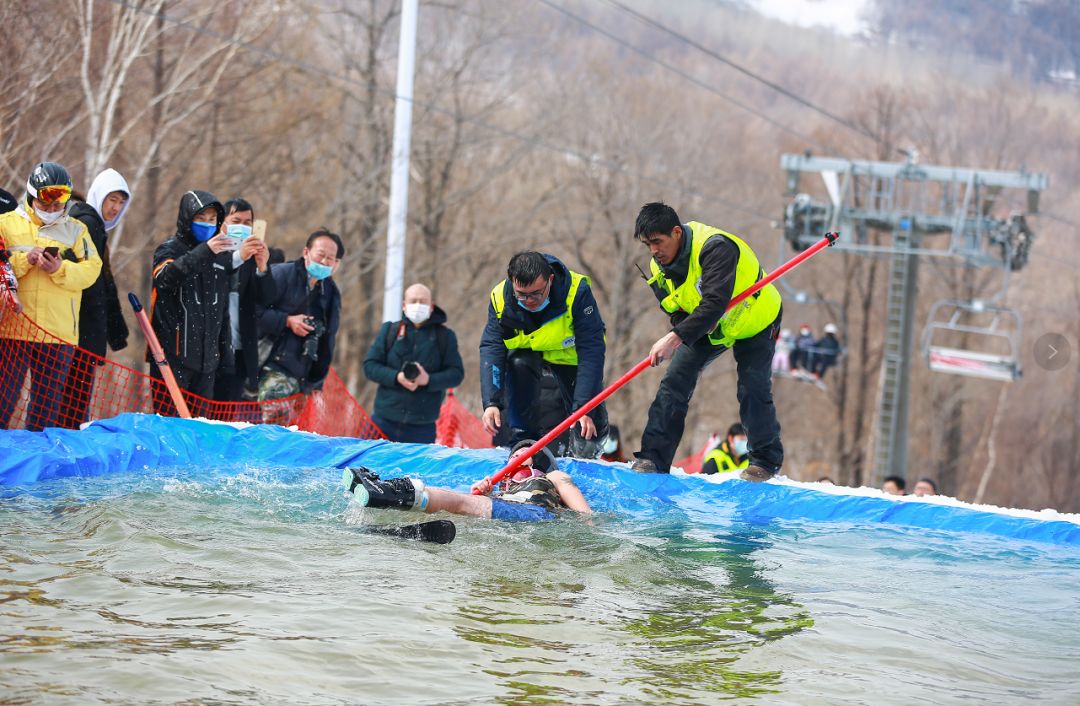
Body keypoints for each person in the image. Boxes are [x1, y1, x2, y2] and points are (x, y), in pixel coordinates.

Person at [629, 202, 783, 482]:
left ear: (676, 232)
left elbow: (715, 301)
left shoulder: (715, 248)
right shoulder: (657, 267)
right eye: (647, 244)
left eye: (657, 242)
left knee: (752, 388)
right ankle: (653, 458)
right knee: (674, 382)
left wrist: (674, 338)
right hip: (707, 327)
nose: (653, 250)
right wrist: (682, 328)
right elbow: (674, 309)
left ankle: (764, 462)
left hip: (756, 320)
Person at [0, 162, 102, 430]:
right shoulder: (6, 224)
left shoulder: (76, 229)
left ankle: (38, 466)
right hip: (14, 330)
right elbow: (2, 266)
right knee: (4, 403)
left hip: (58, 333)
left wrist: (60, 269)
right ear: (33, 194)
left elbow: (93, 270)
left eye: (61, 199)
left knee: (45, 414)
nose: (54, 206)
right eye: (47, 198)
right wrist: (24, 260)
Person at [479, 251, 608, 457]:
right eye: (521, 294)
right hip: (529, 359)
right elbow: (492, 347)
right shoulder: (499, 298)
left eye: (536, 294)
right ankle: (523, 443)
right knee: (518, 362)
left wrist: (583, 407)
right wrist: (491, 402)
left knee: (588, 427)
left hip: (571, 361)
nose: (529, 301)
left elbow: (592, 351)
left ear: (551, 280)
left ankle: (586, 451)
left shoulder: (577, 292)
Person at [344, 439, 592, 522]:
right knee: (462, 507)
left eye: (524, 455)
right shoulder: (503, 487)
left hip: (537, 515)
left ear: (534, 461)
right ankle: (392, 503)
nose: (517, 457)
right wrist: (485, 495)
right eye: (513, 455)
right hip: (512, 518)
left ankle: (391, 492)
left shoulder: (552, 476)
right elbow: (492, 511)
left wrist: (587, 529)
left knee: (463, 503)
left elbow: (583, 513)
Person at [57, 169, 131, 427]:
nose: (116, 208)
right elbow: (91, 286)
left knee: (70, 406)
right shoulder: (87, 223)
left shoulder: (94, 226)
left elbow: (101, 284)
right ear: (99, 195)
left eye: (122, 202)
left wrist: (113, 332)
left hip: (80, 332)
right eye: (112, 199)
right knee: (70, 408)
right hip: (77, 331)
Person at [149, 190, 230, 409]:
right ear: (187, 218)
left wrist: (225, 357)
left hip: (207, 363)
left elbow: (222, 311)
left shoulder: (221, 257)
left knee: (200, 429)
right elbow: (165, 279)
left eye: (212, 220)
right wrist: (204, 251)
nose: (207, 224)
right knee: (169, 428)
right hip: (171, 358)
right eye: (200, 219)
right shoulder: (168, 249)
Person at [363, 283, 464, 443]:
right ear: (404, 305)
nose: (418, 305)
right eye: (413, 301)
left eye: (423, 301)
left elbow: (456, 374)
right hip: (383, 421)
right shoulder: (390, 331)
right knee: (363, 466)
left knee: (415, 469)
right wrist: (397, 377)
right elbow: (369, 366)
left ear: (431, 307)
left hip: (422, 427)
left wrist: (428, 380)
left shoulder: (444, 336)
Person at [256, 229, 343, 401]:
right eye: (320, 255)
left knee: (292, 427)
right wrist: (286, 321)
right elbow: (253, 311)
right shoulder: (282, 274)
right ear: (306, 252)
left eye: (330, 258)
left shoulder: (331, 293)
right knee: (274, 424)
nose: (324, 261)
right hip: (269, 364)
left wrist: (316, 381)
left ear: (336, 263)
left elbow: (328, 339)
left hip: (302, 377)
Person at [211, 198, 277, 402]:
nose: (242, 226)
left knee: (227, 412)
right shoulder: (211, 250)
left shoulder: (254, 257)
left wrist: (262, 267)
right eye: (236, 220)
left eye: (248, 222)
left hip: (240, 349)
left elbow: (268, 299)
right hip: (212, 346)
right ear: (223, 223)